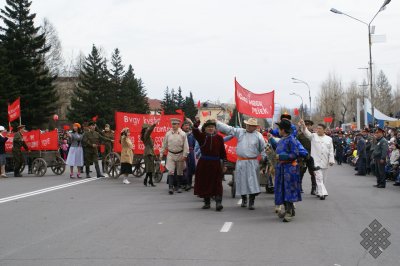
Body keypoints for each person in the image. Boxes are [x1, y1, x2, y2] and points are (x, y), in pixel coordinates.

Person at [217, 118, 266, 210]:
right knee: (242, 181)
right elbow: (229, 129)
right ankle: (244, 200)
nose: (248, 126)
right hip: (241, 162)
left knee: (252, 183)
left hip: (252, 162)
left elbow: (263, 148)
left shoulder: (259, 136)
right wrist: (217, 123)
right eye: (247, 124)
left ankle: (251, 202)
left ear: (255, 127)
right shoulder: (240, 132)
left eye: (251, 125)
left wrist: (264, 158)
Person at [187, 118, 226, 211]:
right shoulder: (202, 137)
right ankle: (207, 202)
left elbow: (223, 152)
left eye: (212, 127)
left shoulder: (219, 138)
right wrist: (196, 124)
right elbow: (195, 132)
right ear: (205, 129)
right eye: (208, 127)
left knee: (217, 183)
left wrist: (224, 164)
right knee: (205, 182)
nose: (211, 128)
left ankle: (218, 202)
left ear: (215, 128)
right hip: (204, 163)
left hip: (216, 164)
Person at [299, 120, 335, 200]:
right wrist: (303, 125)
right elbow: (306, 133)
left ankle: (319, 191)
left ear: (324, 130)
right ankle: (322, 194)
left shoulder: (329, 139)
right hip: (315, 161)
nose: (318, 130)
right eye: (317, 128)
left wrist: (331, 160)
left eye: (320, 129)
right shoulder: (313, 136)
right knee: (318, 177)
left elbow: (331, 150)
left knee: (323, 179)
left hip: (325, 161)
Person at [274, 119, 301, 222]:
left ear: (283, 130)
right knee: (282, 189)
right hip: (281, 168)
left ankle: (289, 212)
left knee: (288, 190)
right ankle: (288, 210)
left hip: (290, 169)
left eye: (279, 128)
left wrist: (281, 156)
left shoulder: (291, 140)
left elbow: (295, 154)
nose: (278, 130)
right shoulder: (281, 140)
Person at [160, 118, 189, 194]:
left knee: (180, 171)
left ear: (178, 125)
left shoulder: (183, 134)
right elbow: (164, 144)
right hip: (171, 154)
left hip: (180, 154)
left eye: (175, 124)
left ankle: (178, 186)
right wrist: (161, 153)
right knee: (170, 171)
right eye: (173, 124)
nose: (174, 125)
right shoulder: (168, 134)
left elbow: (186, 146)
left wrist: (185, 155)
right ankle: (170, 187)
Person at [297, 120, 318, 194]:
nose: (308, 126)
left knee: (313, 173)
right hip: (302, 157)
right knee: (301, 172)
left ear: (311, 126)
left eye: (309, 125)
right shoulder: (300, 135)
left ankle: (314, 189)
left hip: (312, 157)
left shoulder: (314, 135)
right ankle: (299, 187)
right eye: (306, 125)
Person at [181, 120, 197, 191]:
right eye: (185, 125)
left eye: (188, 125)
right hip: (181, 152)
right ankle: (183, 183)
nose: (187, 127)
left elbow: (195, 144)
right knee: (183, 168)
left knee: (190, 168)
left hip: (190, 153)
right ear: (182, 127)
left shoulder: (192, 135)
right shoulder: (180, 134)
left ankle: (189, 183)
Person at [141, 122, 158, 187]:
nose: (148, 128)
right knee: (149, 169)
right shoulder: (146, 135)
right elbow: (149, 131)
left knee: (150, 168)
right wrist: (153, 125)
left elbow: (151, 147)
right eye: (147, 128)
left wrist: (154, 154)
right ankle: (148, 181)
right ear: (145, 129)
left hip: (150, 152)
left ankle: (148, 180)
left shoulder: (146, 136)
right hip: (148, 153)